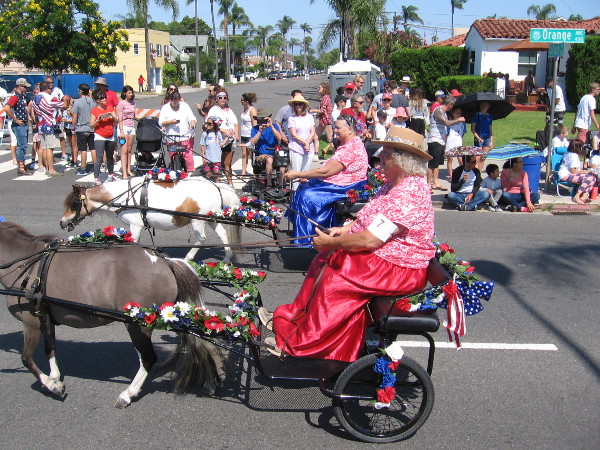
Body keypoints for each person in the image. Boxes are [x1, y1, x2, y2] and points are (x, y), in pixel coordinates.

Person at [261, 127, 435, 361]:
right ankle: (296, 321)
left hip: (400, 268)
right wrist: (344, 230)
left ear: (402, 160)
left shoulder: (409, 192)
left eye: (386, 152)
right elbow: (371, 220)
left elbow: (371, 238)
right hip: (388, 257)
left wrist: (331, 243)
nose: (380, 156)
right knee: (323, 261)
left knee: (335, 279)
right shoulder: (394, 184)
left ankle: (305, 345)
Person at [284, 114, 369, 246]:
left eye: (338, 128)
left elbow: (325, 171)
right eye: (335, 127)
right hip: (342, 182)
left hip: (347, 187)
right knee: (303, 187)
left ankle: (308, 238)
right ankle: (300, 232)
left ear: (350, 129)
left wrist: (297, 174)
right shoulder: (349, 143)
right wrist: (307, 177)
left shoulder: (350, 148)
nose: (334, 130)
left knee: (307, 196)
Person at [428, 96, 464, 191]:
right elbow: (446, 123)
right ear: (450, 104)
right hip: (434, 140)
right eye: (452, 105)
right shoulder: (438, 110)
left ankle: (435, 182)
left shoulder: (443, 112)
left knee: (437, 164)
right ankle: (428, 185)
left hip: (441, 140)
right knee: (432, 164)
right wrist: (458, 120)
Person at [32, 80, 66, 175]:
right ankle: (51, 169)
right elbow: (64, 105)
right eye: (51, 88)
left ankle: (47, 167)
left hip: (40, 124)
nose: (51, 90)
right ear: (47, 89)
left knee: (44, 147)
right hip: (50, 124)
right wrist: (66, 99)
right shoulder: (50, 98)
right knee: (50, 148)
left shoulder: (35, 99)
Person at [159, 91, 197, 173]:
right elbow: (161, 122)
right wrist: (170, 122)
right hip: (171, 136)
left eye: (177, 102)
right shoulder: (165, 108)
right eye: (173, 102)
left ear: (179, 99)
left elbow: (192, 118)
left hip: (185, 135)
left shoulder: (185, 106)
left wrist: (192, 123)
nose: (175, 104)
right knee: (173, 156)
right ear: (171, 100)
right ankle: (175, 171)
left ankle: (190, 172)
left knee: (188, 155)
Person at [207, 88, 238, 184]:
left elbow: (236, 123)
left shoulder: (229, 110)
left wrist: (236, 133)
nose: (222, 99)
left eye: (225, 97)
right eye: (220, 97)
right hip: (218, 140)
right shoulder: (213, 110)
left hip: (230, 140)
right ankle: (217, 183)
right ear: (216, 99)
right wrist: (223, 130)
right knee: (216, 163)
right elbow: (210, 124)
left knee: (227, 163)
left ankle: (230, 183)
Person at [3, 78, 33, 176]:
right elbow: (7, 108)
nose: (26, 89)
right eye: (25, 87)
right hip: (19, 125)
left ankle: (22, 166)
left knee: (23, 146)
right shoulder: (15, 97)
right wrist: (15, 119)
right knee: (22, 146)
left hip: (23, 124)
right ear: (20, 86)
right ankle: (21, 168)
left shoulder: (22, 96)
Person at [287, 93, 316, 189]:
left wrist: (307, 143)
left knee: (306, 173)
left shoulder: (309, 117)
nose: (298, 106)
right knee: (296, 172)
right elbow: (294, 134)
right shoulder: (292, 118)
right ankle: (295, 192)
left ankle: (304, 192)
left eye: (300, 104)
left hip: (309, 149)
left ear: (304, 105)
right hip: (296, 148)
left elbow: (313, 131)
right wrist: (305, 143)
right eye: (296, 104)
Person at [90, 89, 118, 185]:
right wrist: (98, 120)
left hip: (110, 135)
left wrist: (113, 116)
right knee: (99, 157)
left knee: (110, 156)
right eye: (102, 99)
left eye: (105, 98)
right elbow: (91, 125)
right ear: (97, 100)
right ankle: (96, 178)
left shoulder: (110, 108)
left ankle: (111, 174)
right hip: (99, 135)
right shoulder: (94, 110)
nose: (105, 100)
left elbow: (117, 121)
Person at [557, 139, 597, 205]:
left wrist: (585, 171)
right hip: (566, 175)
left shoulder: (568, 153)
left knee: (593, 178)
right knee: (590, 177)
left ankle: (584, 196)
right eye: (581, 147)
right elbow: (573, 172)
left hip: (567, 174)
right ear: (578, 147)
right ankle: (577, 196)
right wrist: (586, 172)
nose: (582, 149)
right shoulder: (573, 156)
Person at [249, 115, 282, 189]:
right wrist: (260, 131)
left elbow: (279, 138)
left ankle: (281, 184)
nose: (263, 123)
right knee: (269, 159)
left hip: (274, 153)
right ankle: (269, 184)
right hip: (261, 155)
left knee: (283, 160)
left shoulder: (274, 126)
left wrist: (271, 126)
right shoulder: (255, 129)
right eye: (260, 121)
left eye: (264, 121)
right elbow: (252, 143)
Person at [71, 83, 96, 175]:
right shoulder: (93, 101)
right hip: (92, 127)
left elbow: (74, 116)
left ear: (80, 91)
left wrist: (73, 127)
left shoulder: (77, 102)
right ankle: (96, 166)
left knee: (83, 149)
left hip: (81, 128)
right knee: (93, 148)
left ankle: (83, 168)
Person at [116, 85, 138, 178]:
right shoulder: (121, 103)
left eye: (131, 93)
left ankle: (128, 169)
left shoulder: (133, 103)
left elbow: (135, 115)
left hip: (131, 128)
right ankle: (124, 171)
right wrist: (121, 131)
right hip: (123, 128)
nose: (131, 94)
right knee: (124, 150)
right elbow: (120, 117)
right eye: (129, 93)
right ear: (124, 93)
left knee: (129, 150)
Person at [200, 116, 230, 182]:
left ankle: (217, 184)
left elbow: (221, 144)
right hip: (207, 158)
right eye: (207, 123)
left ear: (215, 125)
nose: (207, 125)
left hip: (216, 159)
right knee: (207, 174)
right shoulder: (205, 134)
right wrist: (203, 157)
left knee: (216, 174)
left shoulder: (218, 134)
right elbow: (203, 146)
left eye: (210, 123)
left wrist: (227, 137)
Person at [311, 82, 333, 156]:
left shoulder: (325, 97)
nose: (318, 89)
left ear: (324, 89)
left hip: (326, 121)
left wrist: (313, 110)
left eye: (320, 87)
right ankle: (315, 153)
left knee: (330, 140)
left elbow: (322, 110)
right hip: (322, 121)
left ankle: (336, 154)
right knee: (315, 136)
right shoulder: (323, 97)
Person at [471, 101, 494, 170]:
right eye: (482, 106)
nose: (483, 107)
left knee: (483, 157)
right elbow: (472, 129)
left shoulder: (489, 116)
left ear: (488, 107)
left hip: (487, 138)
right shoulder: (476, 115)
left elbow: (490, 130)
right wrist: (477, 137)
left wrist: (491, 141)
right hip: (479, 138)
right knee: (477, 158)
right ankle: (476, 173)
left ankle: (479, 172)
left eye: (485, 106)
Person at [445, 106, 467, 176]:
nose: (459, 114)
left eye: (460, 113)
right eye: (457, 113)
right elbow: (447, 133)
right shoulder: (449, 123)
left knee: (460, 159)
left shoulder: (462, 123)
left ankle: (462, 173)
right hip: (450, 143)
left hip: (458, 143)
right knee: (450, 159)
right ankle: (451, 175)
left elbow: (463, 133)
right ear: (453, 113)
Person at [239, 92, 258, 176]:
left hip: (250, 136)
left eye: (242, 100)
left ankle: (255, 172)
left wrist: (253, 137)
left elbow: (255, 125)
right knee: (244, 154)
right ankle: (243, 172)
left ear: (246, 101)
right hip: (243, 135)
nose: (241, 101)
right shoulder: (245, 109)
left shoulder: (252, 110)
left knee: (251, 155)